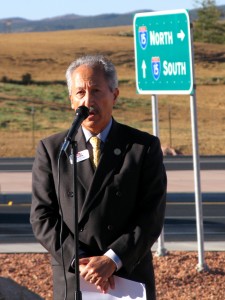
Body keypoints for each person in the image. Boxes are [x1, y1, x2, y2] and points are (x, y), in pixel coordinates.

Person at [30, 54, 167, 300]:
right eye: (80, 92)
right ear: (71, 99)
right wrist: (81, 260)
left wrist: (112, 260)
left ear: (114, 94)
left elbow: (151, 216)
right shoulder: (53, 150)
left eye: (96, 91)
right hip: (76, 274)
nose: (88, 101)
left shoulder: (142, 147)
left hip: (127, 272)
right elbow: (42, 217)